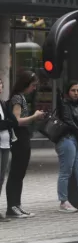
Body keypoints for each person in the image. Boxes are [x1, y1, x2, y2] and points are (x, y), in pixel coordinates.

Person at [6, 70, 45, 219]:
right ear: (26, 84)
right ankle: (12, 206)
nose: (34, 88)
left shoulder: (20, 97)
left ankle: (17, 204)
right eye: (33, 85)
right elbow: (17, 121)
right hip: (19, 138)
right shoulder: (17, 98)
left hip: (23, 137)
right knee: (17, 172)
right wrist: (34, 117)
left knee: (20, 173)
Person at [56, 81, 78, 213]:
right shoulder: (64, 104)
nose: (76, 93)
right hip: (67, 140)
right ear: (67, 92)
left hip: (76, 140)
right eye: (73, 90)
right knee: (66, 171)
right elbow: (69, 122)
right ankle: (63, 201)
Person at [0, 76, 18, 223]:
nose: (0, 87)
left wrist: (6, 123)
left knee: (1, 178)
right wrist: (6, 123)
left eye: (0, 84)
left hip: (6, 145)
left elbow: (13, 121)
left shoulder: (3, 104)